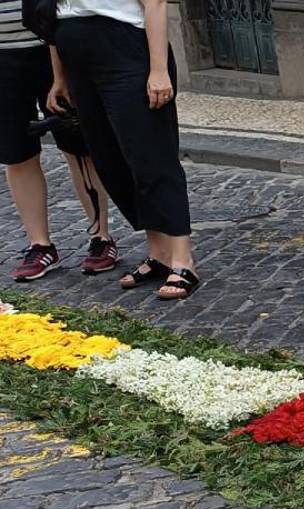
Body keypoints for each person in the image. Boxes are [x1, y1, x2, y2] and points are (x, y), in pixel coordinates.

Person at [48, 0, 201, 300]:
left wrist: (158, 69)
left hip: (124, 44)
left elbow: (155, 2)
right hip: (74, 47)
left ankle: (183, 260)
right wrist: (60, 76)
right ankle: (159, 254)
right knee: (111, 158)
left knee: (152, 154)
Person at [2, 4, 115, 281]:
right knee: (16, 153)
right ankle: (40, 244)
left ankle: (101, 236)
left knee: (78, 146)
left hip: (51, 44)